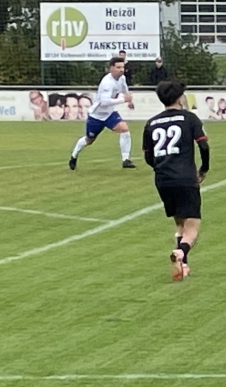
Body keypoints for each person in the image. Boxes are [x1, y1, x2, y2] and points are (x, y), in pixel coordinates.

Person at [142, 80, 209, 281]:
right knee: (192, 227)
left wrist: (160, 168)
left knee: (180, 223)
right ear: (180, 98)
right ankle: (181, 252)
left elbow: (148, 156)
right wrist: (204, 169)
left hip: (163, 180)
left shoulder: (151, 123)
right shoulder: (189, 118)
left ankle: (183, 265)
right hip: (185, 177)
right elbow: (203, 146)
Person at [68, 57, 137, 170]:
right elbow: (104, 102)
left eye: (122, 67)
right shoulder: (107, 83)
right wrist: (123, 100)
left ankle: (126, 160)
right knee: (89, 140)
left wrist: (129, 101)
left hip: (109, 113)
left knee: (124, 129)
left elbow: (125, 89)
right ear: (111, 68)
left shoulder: (122, 78)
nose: (121, 70)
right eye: (118, 67)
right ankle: (74, 156)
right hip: (96, 116)